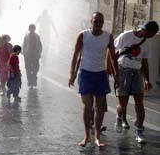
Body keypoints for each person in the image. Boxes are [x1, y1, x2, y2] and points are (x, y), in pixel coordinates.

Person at [68, 12, 119, 147]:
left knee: (100, 107)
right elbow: (75, 54)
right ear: (91, 21)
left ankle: (97, 136)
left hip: (100, 74)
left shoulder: (108, 37)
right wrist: (72, 73)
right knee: (87, 106)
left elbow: (113, 58)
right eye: (96, 21)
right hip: (86, 74)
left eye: (101, 22)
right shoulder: (83, 35)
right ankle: (86, 136)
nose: (98, 24)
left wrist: (117, 75)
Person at [114, 20, 159, 144]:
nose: (153, 36)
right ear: (145, 30)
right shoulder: (125, 36)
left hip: (137, 72)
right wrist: (113, 71)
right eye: (153, 33)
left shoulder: (147, 43)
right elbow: (114, 53)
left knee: (139, 103)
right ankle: (119, 117)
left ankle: (139, 130)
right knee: (123, 104)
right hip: (123, 70)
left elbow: (145, 62)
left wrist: (147, 80)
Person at [22, 24, 42, 89]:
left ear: (34, 29)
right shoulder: (26, 37)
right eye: (30, 28)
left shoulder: (37, 36)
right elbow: (23, 45)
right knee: (28, 69)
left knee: (36, 68)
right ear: (29, 29)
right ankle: (30, 81)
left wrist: (39, 52)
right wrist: (24, 53)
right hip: (28, 55)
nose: (32, 30)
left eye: (33, 28)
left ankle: (34, 79)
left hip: (35, 55)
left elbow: (40, 45)